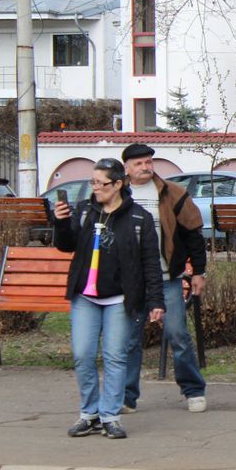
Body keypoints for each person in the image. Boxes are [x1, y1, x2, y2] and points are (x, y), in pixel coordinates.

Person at [54, 158, 165, 439]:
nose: (95, 188)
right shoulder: (84, 211)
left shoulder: (138, 218)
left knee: (116, 357)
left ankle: (110, 417)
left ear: (118, 184)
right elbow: (65, 246)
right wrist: (61, 223)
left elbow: (151, 262)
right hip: (85, 297)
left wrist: (155, 302)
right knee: (83, 355)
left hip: (119, 299)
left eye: (101, 183)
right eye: (92, 182)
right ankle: (88, 414)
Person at [120, 143, 209, 414]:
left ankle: (193, 390)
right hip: (130, 281)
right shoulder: (117, 193)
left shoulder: (173, 193)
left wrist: (199, 272)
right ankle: (126, 397)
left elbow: (193, 233)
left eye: (148, 162)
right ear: (126, 168)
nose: (146, 168)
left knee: (178, 334)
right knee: (129, 339)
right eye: (139, 164)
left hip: (167, 278)